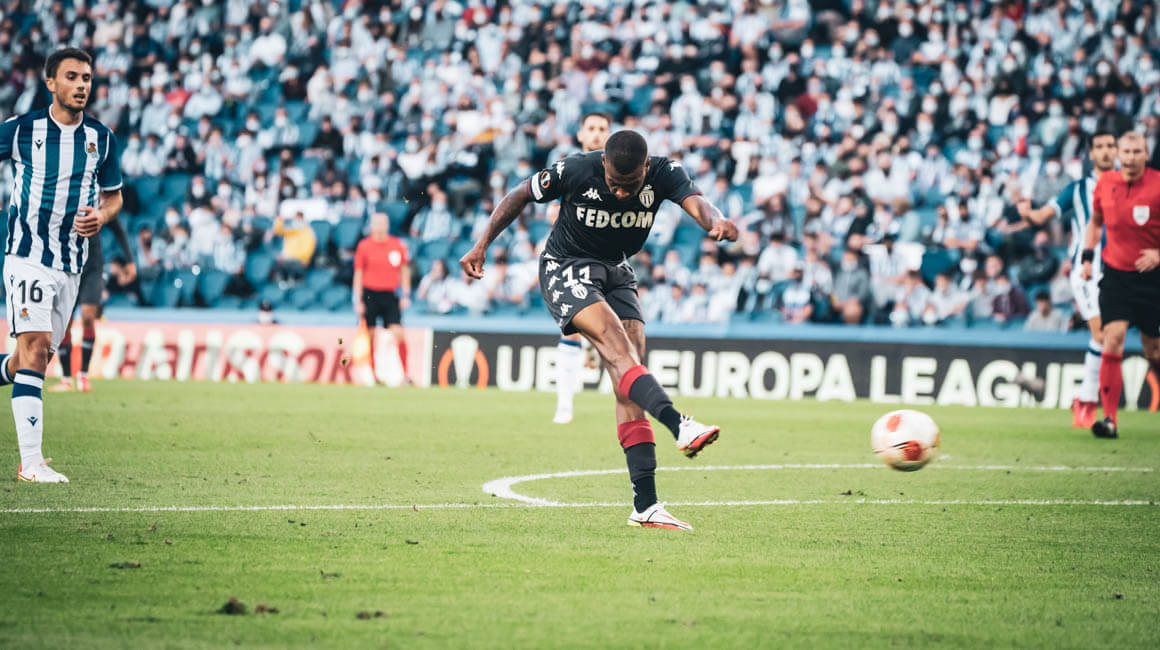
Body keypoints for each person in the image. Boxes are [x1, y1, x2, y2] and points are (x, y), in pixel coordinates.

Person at [459, 130, 739, 531]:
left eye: (631, 186)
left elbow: (698, 203)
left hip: (617, 270)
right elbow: (520, 194)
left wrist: (717, 221)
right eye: (614, 184)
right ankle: (679, 424)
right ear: (603, 163)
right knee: (619, 351)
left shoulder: (665, 172)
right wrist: (482, 244)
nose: (621, 194)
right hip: (566, 266)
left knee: (629, 380)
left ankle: (646, 506)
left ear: (646, 167)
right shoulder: (575, 169)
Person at [0, 48, 123, 482]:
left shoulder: (102, 138)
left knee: (29, 360)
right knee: (35, 349)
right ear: (50, 82)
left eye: (86, 77)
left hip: (72, 264)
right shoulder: (22, 129)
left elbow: (114, 196)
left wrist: (101, 215)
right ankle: (31, 464)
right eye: (72, 77)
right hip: (28, 256)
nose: (81, 85)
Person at [1019, 125, 1117, 428]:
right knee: (1102, 334)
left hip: (1122, 269)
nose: (1105, 151)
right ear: (1091, 153)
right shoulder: (1076, 190)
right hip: (1087, 271)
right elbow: (1042, 215)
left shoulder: (1128, 186)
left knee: (1112, 337)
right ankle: (1087, 401)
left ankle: (1087, 399)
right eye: (1099, 146)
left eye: (1110, 146)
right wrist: (1027, 212)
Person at [1081, 131, 1160, 438]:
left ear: (1146, 155)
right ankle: (1109, 420)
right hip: (1116, 276)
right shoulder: (1105, 183)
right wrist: (1087, 257)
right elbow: (1095, 221)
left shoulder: (1158, 184)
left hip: (1152, 280)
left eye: (1136, 151)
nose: (1130, 157)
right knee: (1112, 338)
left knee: (1154, 352)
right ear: (1118, 154)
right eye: (1125, 151)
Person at [554, 111, 611, 424]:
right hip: (573, 259)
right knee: (570, 327)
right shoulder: (569, 167)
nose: (596, 133)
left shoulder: (620, 169)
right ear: (580, 134)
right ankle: (564, 406)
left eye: (602, 128)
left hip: (609, 259)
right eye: (591, 128)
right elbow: (553, 209)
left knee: (612, 330)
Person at [49, 217, 136, 392]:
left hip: (93, 268)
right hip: (68, 267)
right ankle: (66, 379)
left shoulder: (96, 205)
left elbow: (118, 229)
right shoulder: (63, 205)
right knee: (65, 323)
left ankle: (83, 375)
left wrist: (130, 260)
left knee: (88, 317)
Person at [353, 212, 411, 384]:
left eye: (382, 223)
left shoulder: (396, 245)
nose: (379, 226)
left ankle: (405, 374)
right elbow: (358, 273)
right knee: (370, 335)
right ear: (371, 226)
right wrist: (358, 300)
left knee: (399, 333)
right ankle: (373, 374)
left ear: (387, 225)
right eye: (376, 223)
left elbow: (404, 270)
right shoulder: (364, 246)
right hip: (369, 294)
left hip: (389, 294)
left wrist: (406, 294)